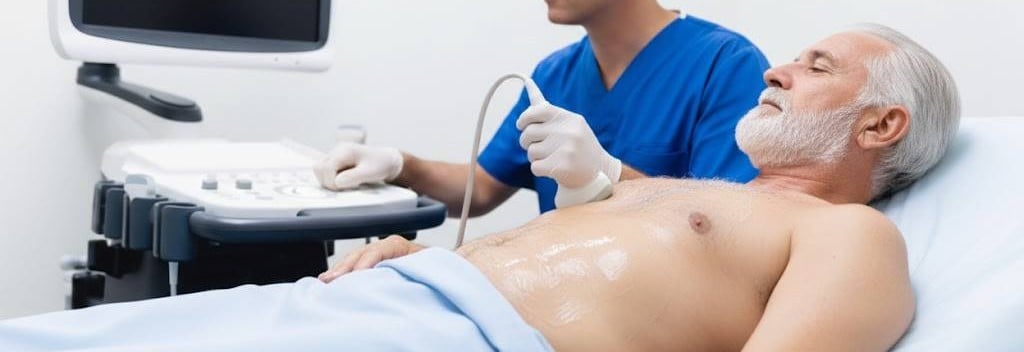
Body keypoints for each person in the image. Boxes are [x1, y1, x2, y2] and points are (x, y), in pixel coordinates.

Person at [0, 24, 959, 352]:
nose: (781, 69)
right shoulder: (670, 188)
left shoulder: (851, 239)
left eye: (817, 64)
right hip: (380, 300)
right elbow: (520, 217)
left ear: (880, 127)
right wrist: (435, 258)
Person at [314, 0, 769, 214]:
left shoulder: (725, 65)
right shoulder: (555, 75)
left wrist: (609, 175)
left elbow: (730, 225)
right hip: (557, 298)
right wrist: (399, 166)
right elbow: (482, 190)